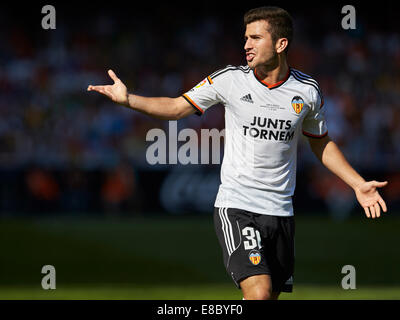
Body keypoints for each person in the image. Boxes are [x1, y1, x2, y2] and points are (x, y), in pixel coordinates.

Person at [87, 6, 388, 300]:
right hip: (237, 205)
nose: (246, 45)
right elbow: (177, 107)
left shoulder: (307, 91)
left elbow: (320, 141)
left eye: (256, 38)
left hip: (281, 212)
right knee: (258, 293)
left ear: (281, 43)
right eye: (246, 38)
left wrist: (357, 183)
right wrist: (129, 100)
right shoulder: (230, 79)